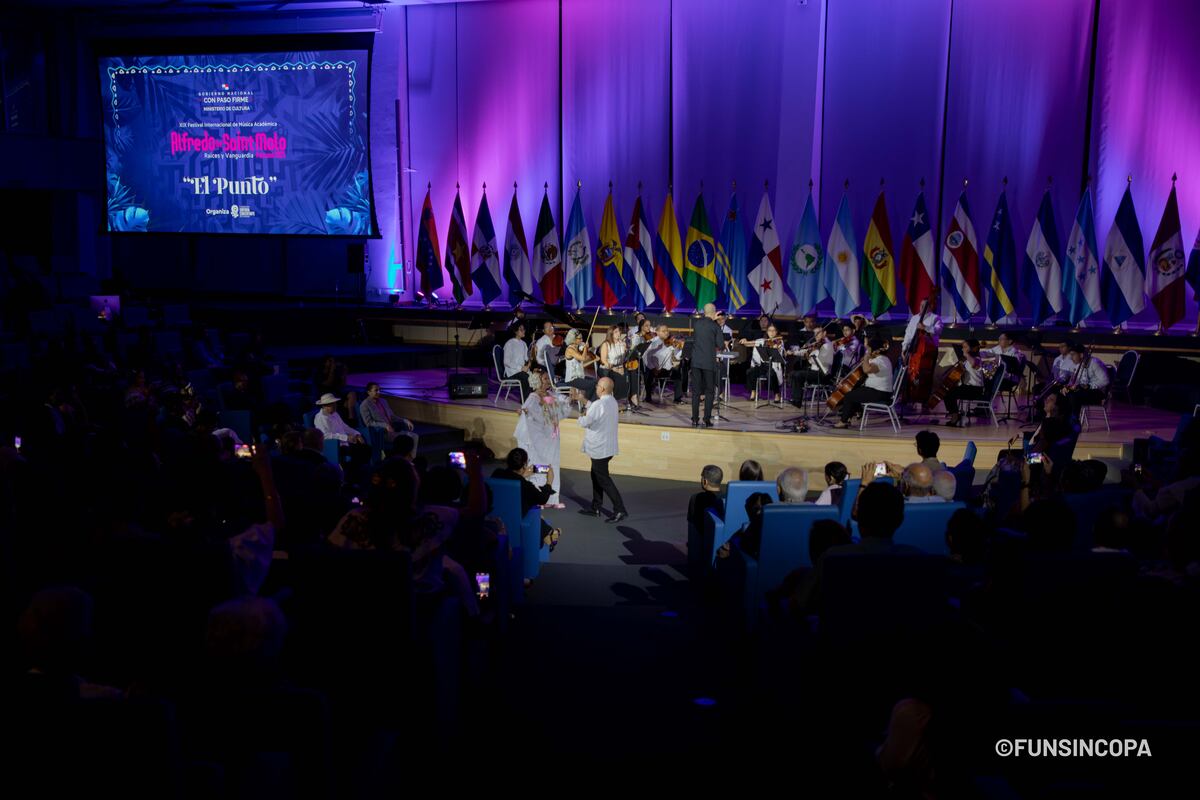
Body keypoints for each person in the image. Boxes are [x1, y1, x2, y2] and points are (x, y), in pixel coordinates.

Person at [572, 377, 627, 523]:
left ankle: (620, 509)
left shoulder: (599, 404)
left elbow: (584, 422)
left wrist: (581, 413)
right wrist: (583, 400)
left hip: (599, 448)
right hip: (607, 447)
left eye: (597, 386)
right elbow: (597, 409)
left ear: (602, 389)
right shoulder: (612, 401)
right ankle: (596, 507)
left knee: (603, 479)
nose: (596, 387)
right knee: (596, 475)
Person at [515, 371, 571, 507]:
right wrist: (525, 412)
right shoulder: (533, 397)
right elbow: (529, 414)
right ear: (538, 381)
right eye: (545, 378)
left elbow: (558, 409)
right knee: (539, 463)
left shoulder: (550, 394)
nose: (548, 381)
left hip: (552, 436)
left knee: (553, 462)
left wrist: (567, 400)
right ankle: (538, 496)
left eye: (548, 378)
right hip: (539, 438)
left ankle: (552, 499)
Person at [491, 447, 561, 550]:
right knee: (535, 512)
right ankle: (548, 534)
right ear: (524, 465)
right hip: (516, 526)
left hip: (495, 519)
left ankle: (549, 532)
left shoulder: (497, 473)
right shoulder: (525, 485)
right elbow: (542, 499)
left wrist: (522, 475)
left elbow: (511, 478)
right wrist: (549, 482)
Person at [833, 336, 893, 428]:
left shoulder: (881, 361)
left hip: (880, 392)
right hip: (877, 390)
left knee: (849, 396)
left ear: (875, 349)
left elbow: (866, 370)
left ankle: (843, 421)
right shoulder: (881, 359)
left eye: (868, 349)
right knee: (854, 392)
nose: (867, 351)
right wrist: (867, 359)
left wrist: (866, 358)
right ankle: (852, 414)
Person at [690, 303, 722, 427]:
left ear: (704, 312)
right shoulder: (715, 326)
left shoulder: (697, 324)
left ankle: (694, 419)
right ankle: (706, 419)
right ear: (714, 313)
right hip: (708, 363)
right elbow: (720, 344)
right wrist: (716, 323)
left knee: (696, 392)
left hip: (696, 362)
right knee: (709, 391)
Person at [788, 323, 837, 404]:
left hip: (822, 374)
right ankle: (795, 398)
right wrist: (793, 352)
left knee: (798, 374)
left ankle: (797, 400)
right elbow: (804, 351)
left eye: (818, 333)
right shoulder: (817, 344)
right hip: (814, 372)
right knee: (792, 373)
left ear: (824, 333)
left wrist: (808, 357)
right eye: (815, 333)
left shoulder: (828, 346)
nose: (816, 335)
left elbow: (821, 361)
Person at [359, 382, 416, 450]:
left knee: (414, 436)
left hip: (392, 429)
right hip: (381, 433)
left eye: (379, 390)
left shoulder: (383, 401)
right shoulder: (364, 405)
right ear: (369, 392)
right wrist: (385, 425)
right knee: (408, 440)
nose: (379, 392)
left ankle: (408, 456)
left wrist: (405, 420)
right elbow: (369, 423)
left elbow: (392, 416)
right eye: (376, 390)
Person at [942, 339, 986, 427]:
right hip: (967, 387)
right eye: (962, 347)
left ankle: (955, 415)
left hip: (975, 390)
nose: (962, 349)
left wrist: (967, 355)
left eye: (965, 347)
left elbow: (974, 364)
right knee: (946, 390)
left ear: (973, 348)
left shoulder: (977, 358)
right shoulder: (965, 360)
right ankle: (954, 414)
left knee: (949, 392)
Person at [598, 325, 641, 410]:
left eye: (619, 332)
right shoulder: (606, 344)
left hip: (619, 366)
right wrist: (614, 369)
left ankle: (633, 396)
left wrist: (626, 348)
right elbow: (603, 361)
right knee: (620, 377)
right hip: (607, 368)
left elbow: (625, 359)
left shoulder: (622, 344)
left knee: (632, 373)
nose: (619, 334)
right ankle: (618, 399)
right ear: (611, 333)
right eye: (616, 332)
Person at [740, 323, 785, 403]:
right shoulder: (762, 340)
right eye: (770, 330)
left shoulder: (779, 341)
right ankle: (753, 391)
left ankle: (777, 393)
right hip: (763, 365)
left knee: (771, 374)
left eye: (773, 331)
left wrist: (775, 346)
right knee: (750, 371)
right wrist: (745, 341)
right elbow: (748, 344)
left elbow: (777, 349)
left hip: (773, 365)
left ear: (776, 332)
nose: (771, 332)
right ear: (767, 332)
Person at [1062, 343, 1109, 416]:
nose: (1071, 358)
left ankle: (1075, 419)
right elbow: (1074, 382)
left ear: (1081, 355)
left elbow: (1105, 381)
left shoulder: (1094, 363)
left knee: (1074, 396)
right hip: (1084, 392)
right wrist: (1067, 387)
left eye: (1073, 354)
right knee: (1064, 395)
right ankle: (1065, 419)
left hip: (1097, 392)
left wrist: (1089, 386)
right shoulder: (1077, 365)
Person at [644, 324, 686, 404]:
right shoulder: (652, 343)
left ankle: (677, 398)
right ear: (657, 332)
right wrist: (654, 368)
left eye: (667, 331)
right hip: (655, 369)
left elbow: (676, 357)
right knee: (648, 370)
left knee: (677, 370)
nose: (666, 333)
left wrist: (679, 350)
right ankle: (648, 396)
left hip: (666, 369)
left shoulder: (671, 342)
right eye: (663, 331)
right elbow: (647, 358)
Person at [561, 328, 598, 400]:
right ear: (573, 339)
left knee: (595, 382)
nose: (581, 340)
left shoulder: (577, 347)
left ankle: (592, 402)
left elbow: (584, 358)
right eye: (579, 338)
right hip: (572, 379)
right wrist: (585, 349)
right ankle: (587, 402)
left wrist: (586, 349)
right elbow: (582, 358)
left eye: (582, 338)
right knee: (591, 385)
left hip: (579, 376)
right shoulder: (570, 350)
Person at [687, 464, 725, 532]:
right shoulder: (726, 498)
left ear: (705, 481)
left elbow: (692, 527)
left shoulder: (695, 498)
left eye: (702, 477)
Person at [502, 322, 532, 398]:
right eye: (521, 329)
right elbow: (506, 362)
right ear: (516, 331)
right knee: (525, 376)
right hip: (512, 373)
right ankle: (525, 399)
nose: (523, 331)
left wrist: (531, 356)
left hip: (521, 371)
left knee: (535, 376)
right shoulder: (509, 343)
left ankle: (532, 398)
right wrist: (521, 368)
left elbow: (526, 359)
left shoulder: (524, 344)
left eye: (524, 329)